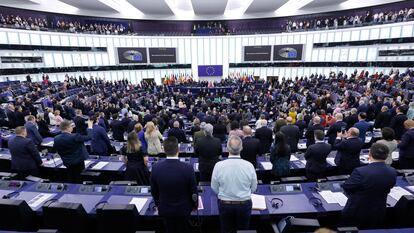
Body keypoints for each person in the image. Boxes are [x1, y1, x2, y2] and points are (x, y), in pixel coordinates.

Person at [341, 143, 396, 228]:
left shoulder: (360, 171)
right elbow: (390, 186)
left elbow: (347, 187)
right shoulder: (392, 171)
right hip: (378, 211)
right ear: (386, 156)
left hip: (357, 211)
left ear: (369, 154)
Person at [150, 137, 198, 233]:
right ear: (178, 150)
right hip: (184, 209)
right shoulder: (188, 168)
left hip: (165, 209)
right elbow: (193, 191)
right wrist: (194, 205)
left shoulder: (155, 168)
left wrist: (158, 205)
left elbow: (154, 191)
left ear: (164, 149)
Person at [211, 136, 257, 233]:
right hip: (244, 204)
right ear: (241, 148)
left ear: (227, 148)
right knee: (243, 230)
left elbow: (214, 187)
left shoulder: (218, 166)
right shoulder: (249, 166)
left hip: (225, 204)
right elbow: (253, 188)